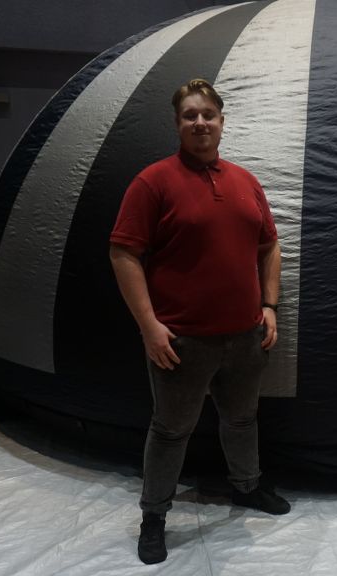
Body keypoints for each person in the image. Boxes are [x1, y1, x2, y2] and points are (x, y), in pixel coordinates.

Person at [109, 78, 289, 566]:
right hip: (182, 342)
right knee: (170, 432)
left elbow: (270, 244)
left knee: (242, 419)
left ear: (222, 122)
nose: (200, 122)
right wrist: (149, 326)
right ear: (177, 124)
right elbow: (123, 253)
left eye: (208, 114)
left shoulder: (246, 181)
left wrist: (269, 305)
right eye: (190, 115)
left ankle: (246, 487)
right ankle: (154, 517)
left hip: (246, 335)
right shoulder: (153, 182)